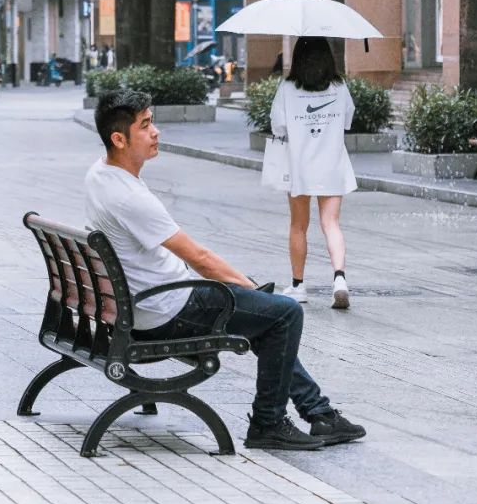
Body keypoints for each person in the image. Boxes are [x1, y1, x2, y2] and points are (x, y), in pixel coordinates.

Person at [85, 88, 366, 452]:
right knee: (285, 313)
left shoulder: (100, 174)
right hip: (168, 310)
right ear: (119, 139)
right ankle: (268, 423)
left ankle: (319, 413)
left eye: (152, 122)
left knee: (265, 317)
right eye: (145, 125)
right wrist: (247, 286)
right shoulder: (129, 197)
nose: (155, 132)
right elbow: (200, 258)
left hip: (146, 305)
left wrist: (247, 292)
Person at [269, 36, 357, 309]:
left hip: (299, 165)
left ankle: (298, 286)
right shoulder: (339, 87)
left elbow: (277, 126)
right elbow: (348, 119)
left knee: (298, 225)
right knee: (331, 223)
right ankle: (339, 279)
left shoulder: (287, 88)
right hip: (332, 162)